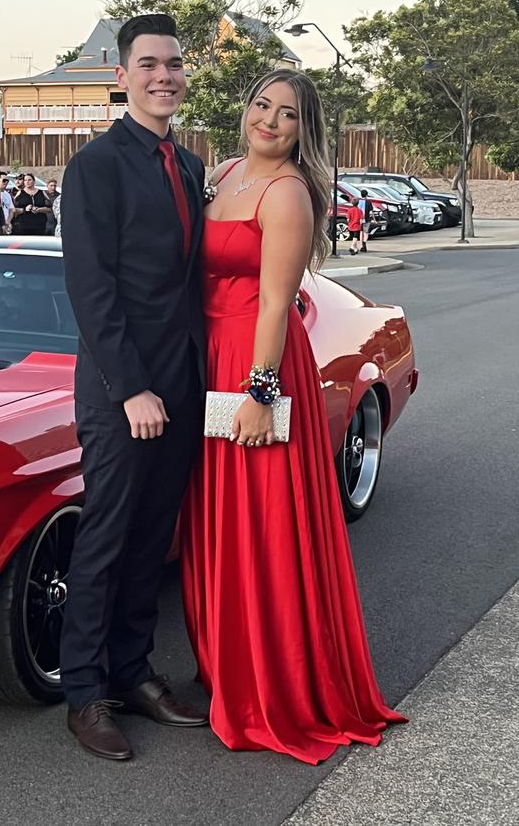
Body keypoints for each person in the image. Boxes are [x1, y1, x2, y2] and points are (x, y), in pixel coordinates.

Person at [181, 68, 407, 765]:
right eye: (261, 105)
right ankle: (224, 664)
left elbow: (277, 303)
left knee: (262, 522)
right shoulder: (220, 173)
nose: (270, 121)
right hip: (209, 357)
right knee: (216, 519)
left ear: (304, 130)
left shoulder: (287, 195)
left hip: (257, 361)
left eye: (287, 115)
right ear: (244, 108)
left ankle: (272, 683)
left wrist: (259, 391)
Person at [60, 13, 207, 762]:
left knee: (153, 539)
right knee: (107, 540)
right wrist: (132, 389)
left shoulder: (187, 165)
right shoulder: (96, 166)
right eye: (148, 64)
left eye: (174, 64)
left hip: (183, 388)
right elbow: (92, 289)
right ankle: (85, 694)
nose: (164, 76)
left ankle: (134, 671)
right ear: (121, 76)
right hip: (125, 393)